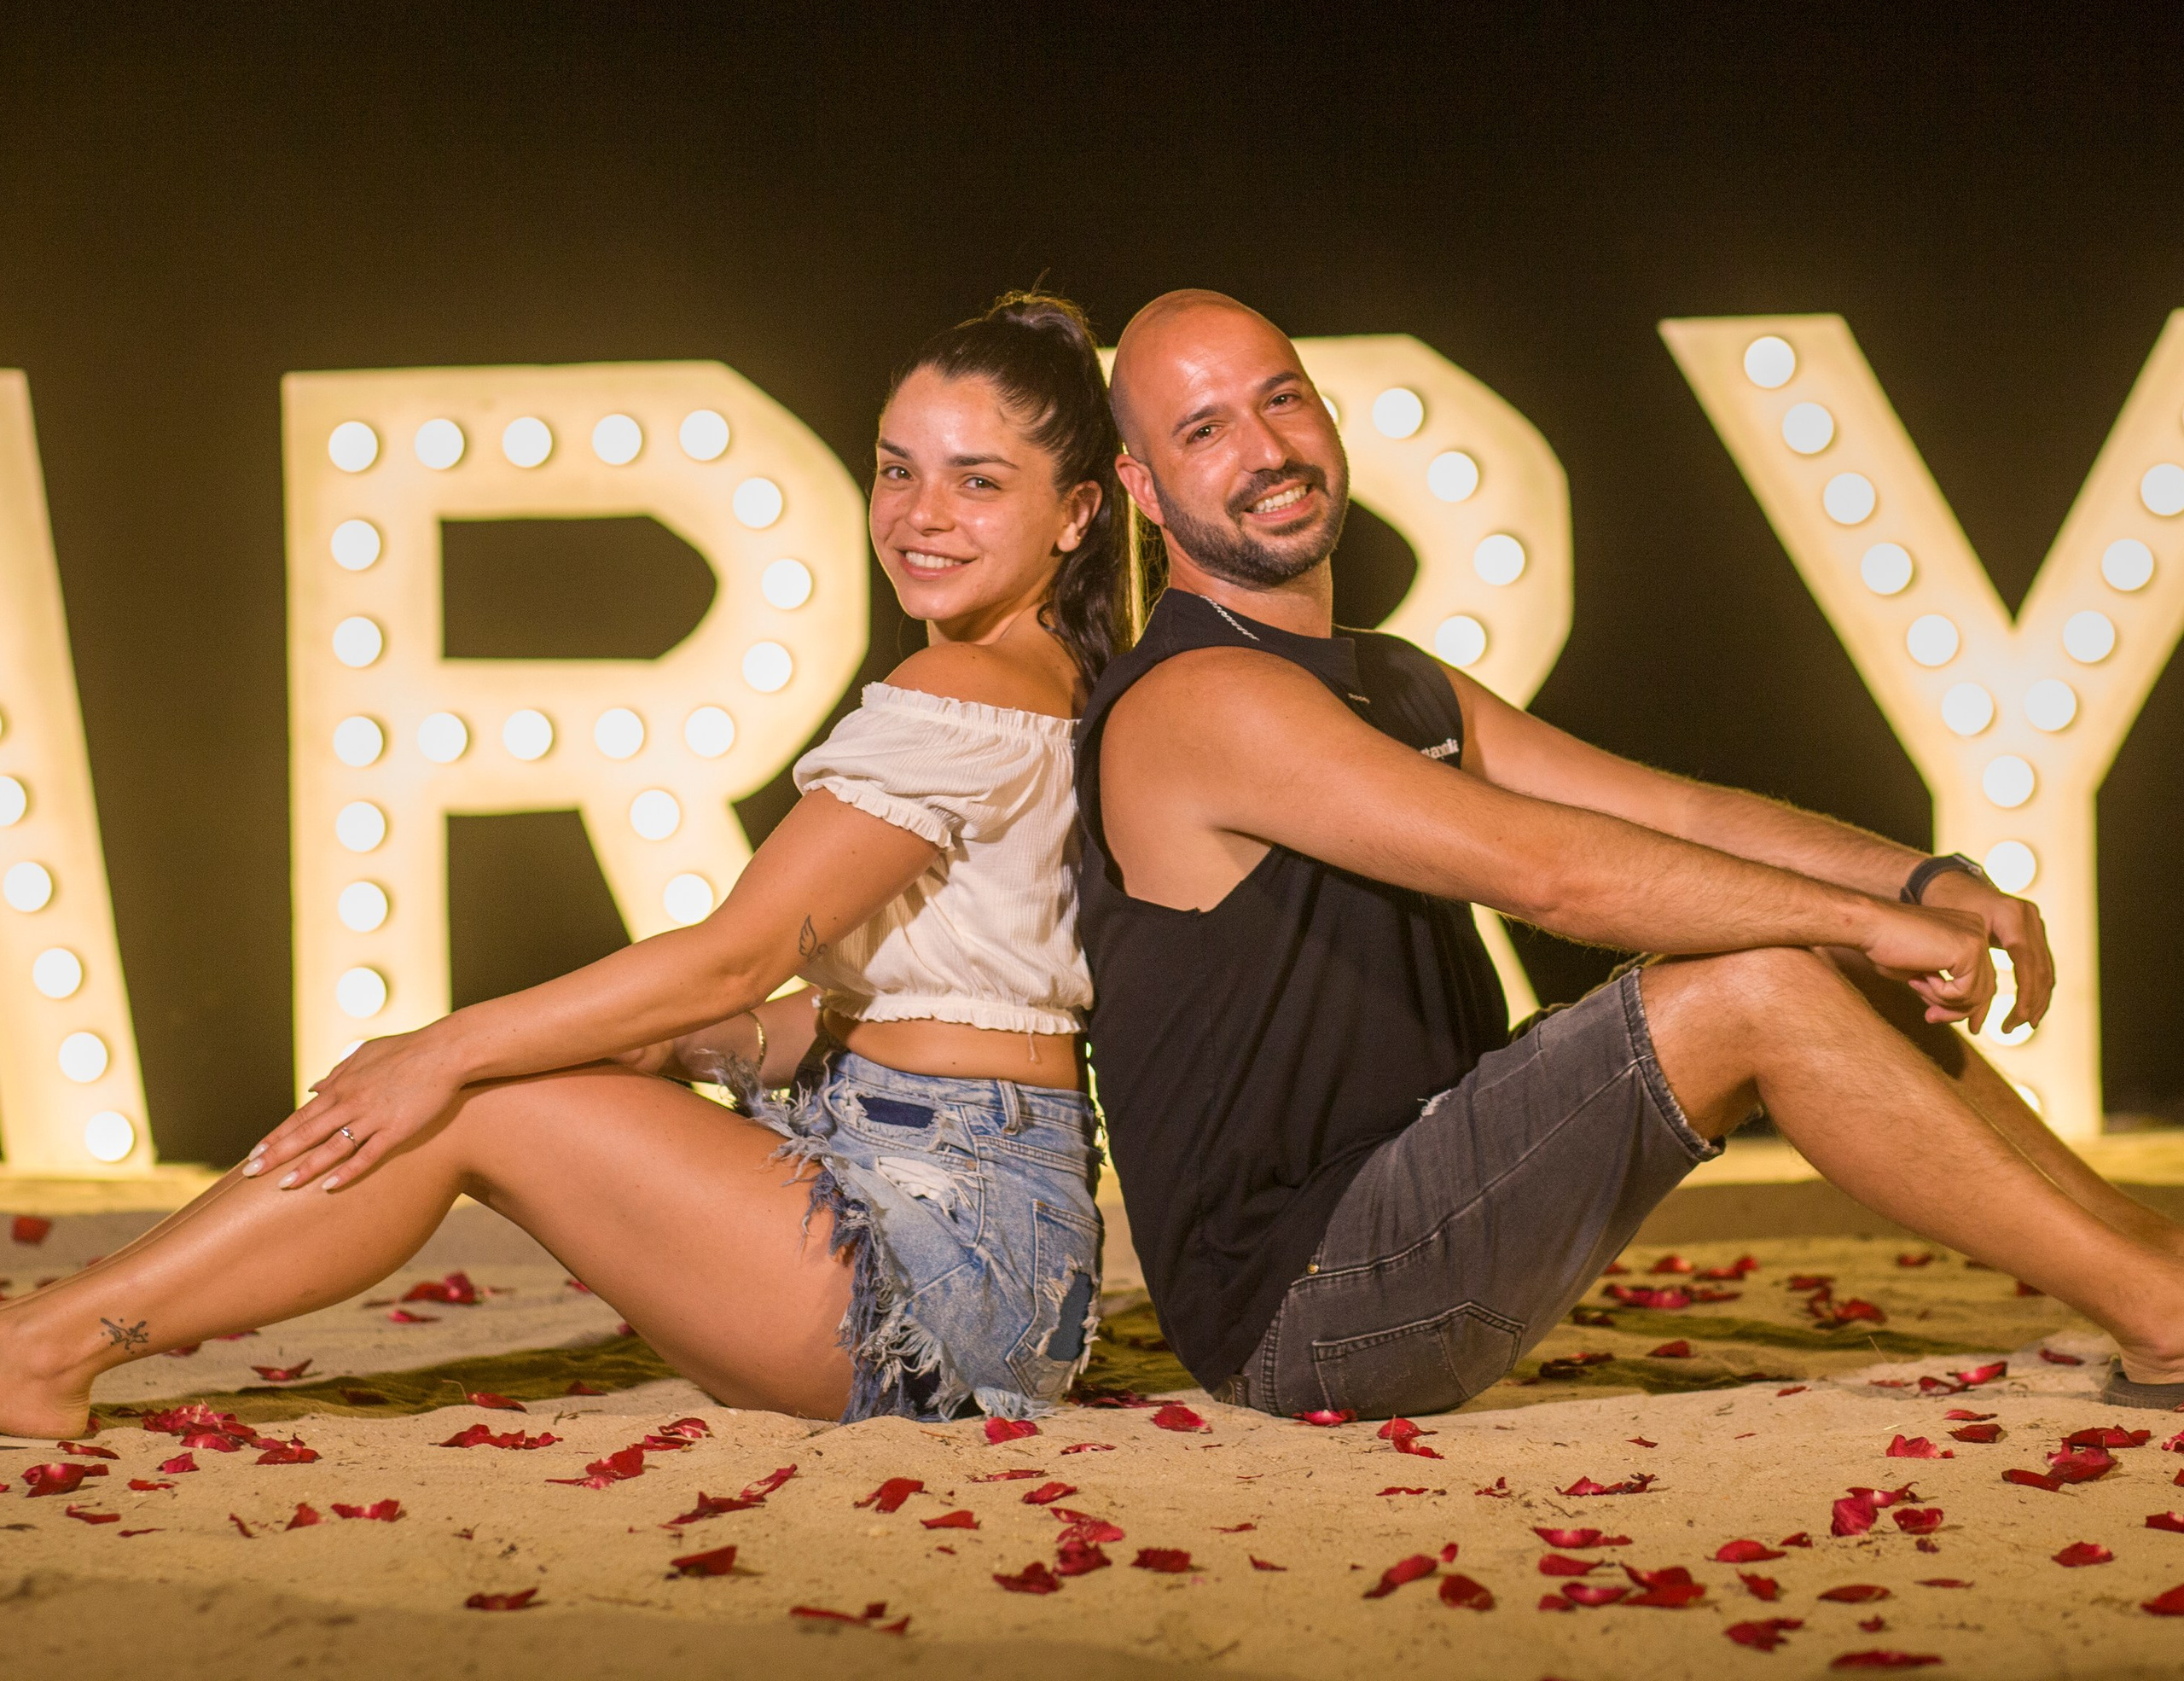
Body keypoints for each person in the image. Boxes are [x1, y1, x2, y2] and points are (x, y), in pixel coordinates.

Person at [0, 292, 1125, 1442]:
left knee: (453, 1098)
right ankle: (49, 1334)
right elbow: (940, 1016)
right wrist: (690, 1044)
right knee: (472, 1080)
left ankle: (38, 1351)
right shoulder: (1055, 687)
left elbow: (732, 957)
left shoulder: (964, 700)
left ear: (1076, 513)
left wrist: (439, 1047)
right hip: (993, 1256)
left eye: (977, 482)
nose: (920, 515)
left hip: (934, 1273)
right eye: (897, 472)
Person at [1076, 288, 2184, 1419]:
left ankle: (2155, 1267)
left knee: (1794, 942)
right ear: (1144, 487)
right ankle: (2165, 1318)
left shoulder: (1392, 675)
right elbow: (1552, 874)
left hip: (1429, 1192)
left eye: (1282, 400)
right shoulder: (1198, 699)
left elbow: (1676, 818)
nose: (1267, 450)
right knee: (1761, 977)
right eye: (1205, 429)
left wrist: (1916, 880)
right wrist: (1858, 918)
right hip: (1308, 1311)